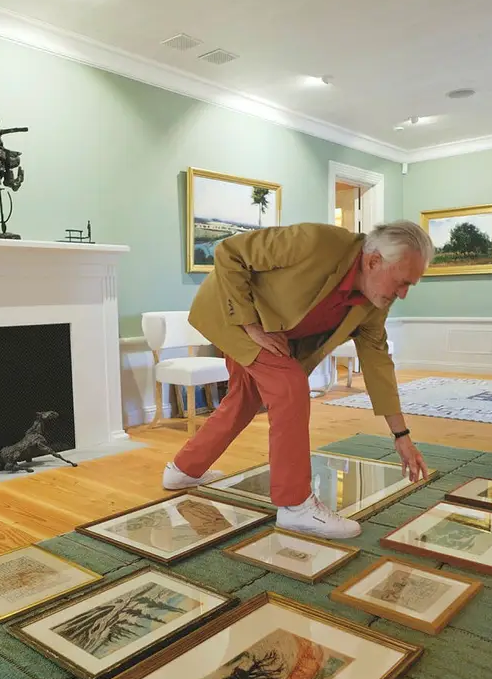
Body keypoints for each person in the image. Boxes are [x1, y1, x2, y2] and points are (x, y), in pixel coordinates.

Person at [162, 220, 434, 539]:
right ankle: (295, 505)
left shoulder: (373, 304)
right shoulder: (315, 241)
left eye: (410, 286)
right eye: (402, 282)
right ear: (374, 261)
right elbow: (229, 252)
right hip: (233, 314)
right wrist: (250, 325)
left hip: (271, 332)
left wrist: (401, 435)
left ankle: (183, 469)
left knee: (244, 399)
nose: (403, 294)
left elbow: (378, 365)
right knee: (289, 385)